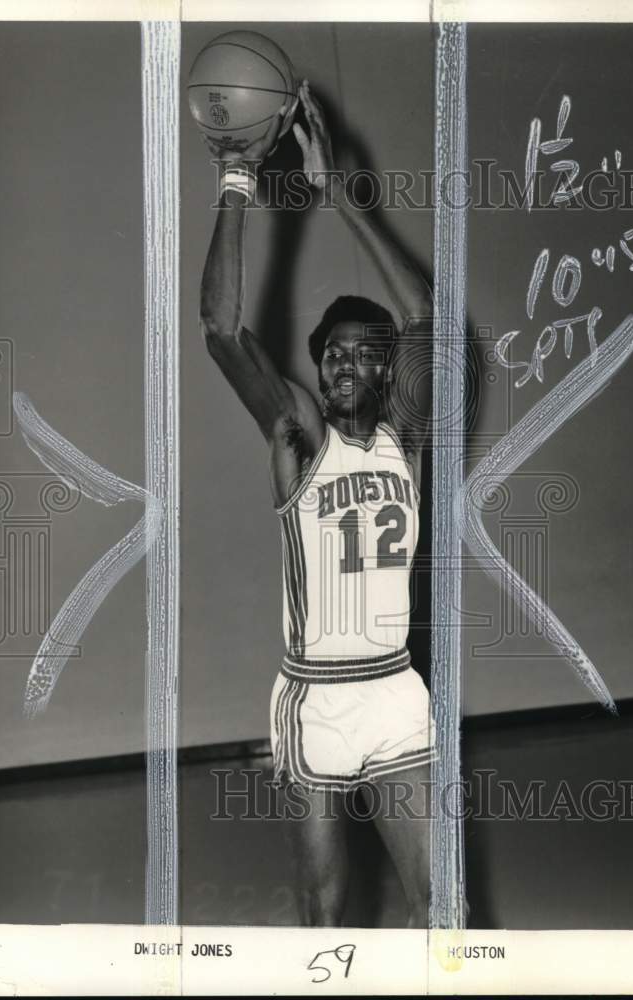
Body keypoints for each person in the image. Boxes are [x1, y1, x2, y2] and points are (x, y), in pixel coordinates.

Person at [199, 81, 435, 928]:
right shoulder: (300, 433)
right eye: (331, 354)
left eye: (364, 356)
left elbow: (423, 315)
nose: (343, 366)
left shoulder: (405, 440)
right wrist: (236, 181)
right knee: (327, 912)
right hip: (315, 701)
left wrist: (339, 194)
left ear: (386, 372)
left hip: (395, 690)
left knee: (444, 909)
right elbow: (223, 331)